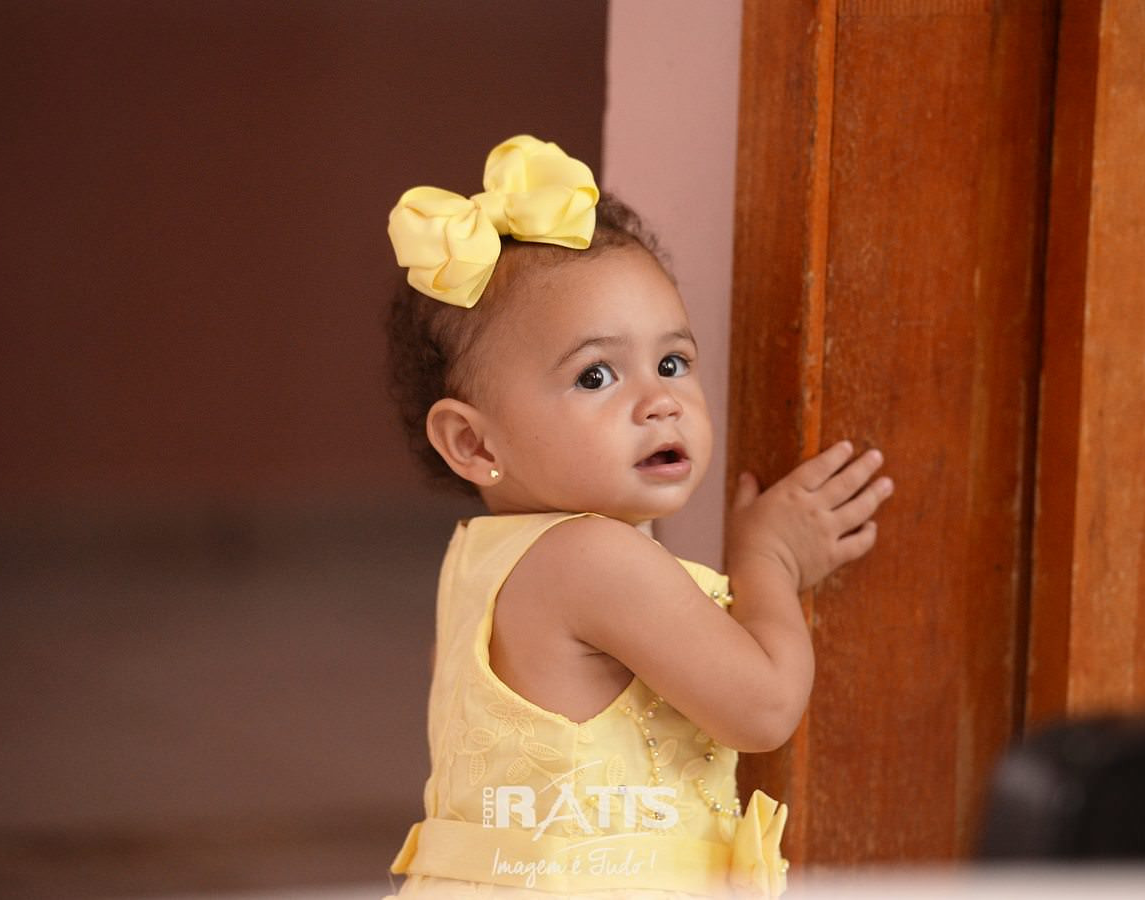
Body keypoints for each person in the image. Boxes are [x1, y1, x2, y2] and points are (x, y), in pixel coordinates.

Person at [382, 136, 892, 898]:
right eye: (595, 375)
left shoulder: (478, 566)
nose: (659, 401)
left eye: (672, 363)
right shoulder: (592, 557)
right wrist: (769, 561)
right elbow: (762, 708)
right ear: (472, 442)